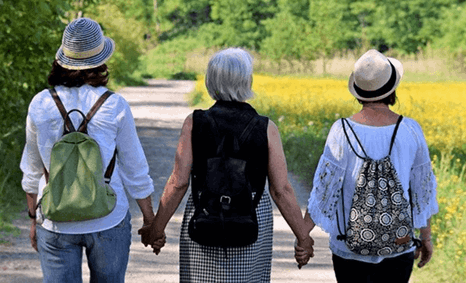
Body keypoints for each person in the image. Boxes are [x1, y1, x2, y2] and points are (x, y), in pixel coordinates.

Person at [139, 47, 314, 282]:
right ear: (247, 81)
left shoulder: (194, 122)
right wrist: (303, 237)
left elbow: (178, 182)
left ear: (210, 81)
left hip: (205, 212)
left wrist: (157, 228)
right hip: (251, 215)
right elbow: (280, 190)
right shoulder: (266, 127)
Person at [20, 17, 163, 283]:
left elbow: (31, 169)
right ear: (100, 60)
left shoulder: (41, 104)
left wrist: (33, 220)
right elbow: (135, 170)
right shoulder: (114, 105)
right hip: (108, 216)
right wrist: (150, 220)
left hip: (55, 220)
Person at [296, 49, 438, 282]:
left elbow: (324, 192)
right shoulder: (411, 129)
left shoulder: (341, 130)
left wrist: (303, 236)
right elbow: (422, 192)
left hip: (349, 248)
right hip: (399, 245)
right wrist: (426, 237)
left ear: (359, 92)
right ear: (392, 89)